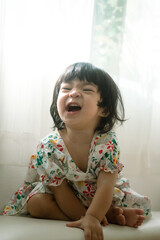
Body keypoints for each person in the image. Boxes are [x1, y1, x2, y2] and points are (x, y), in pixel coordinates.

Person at [3, 62, 151, 240]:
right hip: (61, 198)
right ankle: (107, 217)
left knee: (121, 203)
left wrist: (94, 216)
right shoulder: (49, 146)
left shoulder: (107, 143)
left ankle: (99, 214)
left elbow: (106, 186)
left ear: (103, 109)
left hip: (98, 197)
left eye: (87, 90)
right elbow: (60, 191)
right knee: (36, 204)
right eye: (66, 88)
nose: (73, 92)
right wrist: (87, 218)